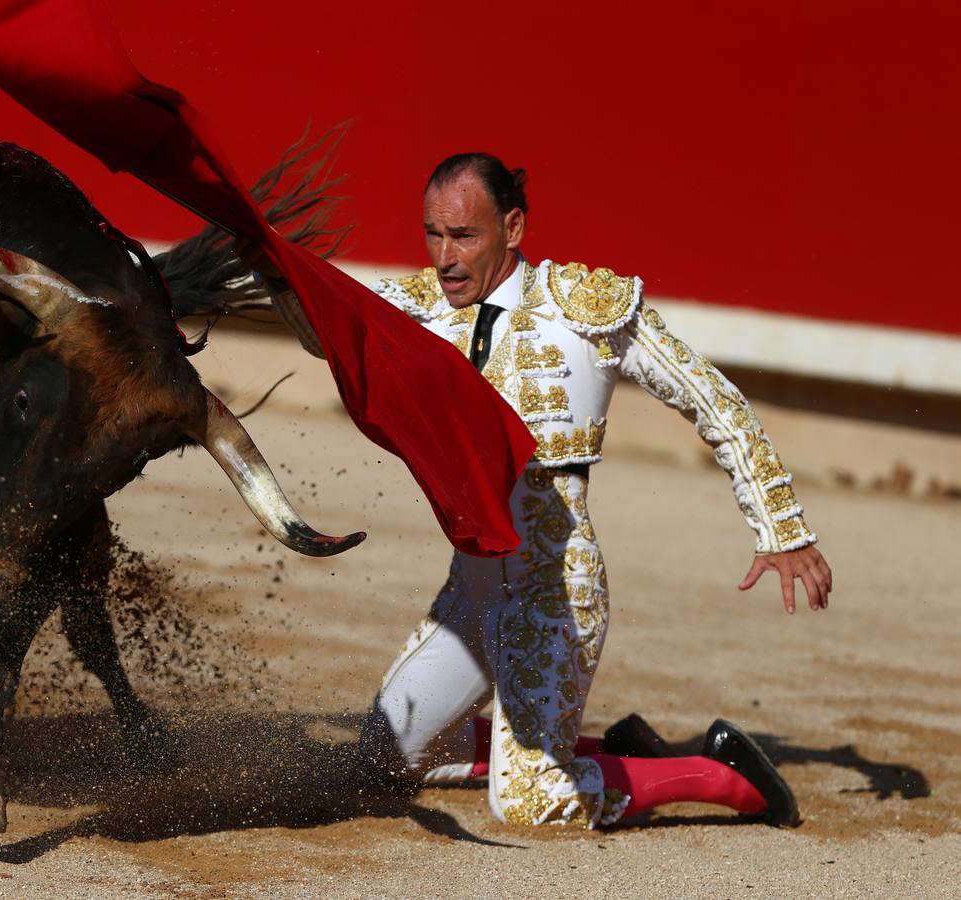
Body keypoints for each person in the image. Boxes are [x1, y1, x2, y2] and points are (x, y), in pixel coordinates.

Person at [251, 152, 832, 828]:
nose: (444, 257)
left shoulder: (584, 307)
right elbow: (325, 336)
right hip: (469, 590)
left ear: (513, 227)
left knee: (527, 803)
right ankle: (595, 753)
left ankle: (724, 777)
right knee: (388, 755)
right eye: (431, 234)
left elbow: (718, 406)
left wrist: (782, 530)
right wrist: (265, 265)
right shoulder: (410, 307)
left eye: (463, 236)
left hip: (552, 587)